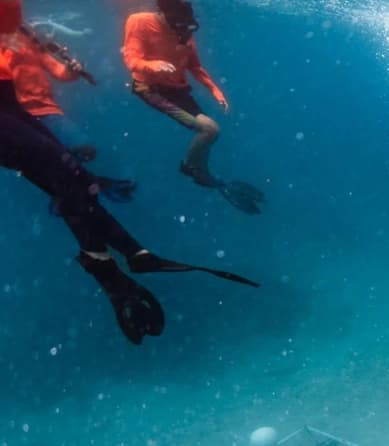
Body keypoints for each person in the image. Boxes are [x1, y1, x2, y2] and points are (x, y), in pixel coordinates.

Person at [1, 0, 258, 345]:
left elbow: (11, 21)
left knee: (77, 180)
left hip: (9, 104)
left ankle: (133, 256)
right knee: (69, 176)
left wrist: (64, 64)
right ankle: (111, 267)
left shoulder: (20, 40)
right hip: (12, 108)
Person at [122, 0, 264, 214]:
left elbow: (194, 66)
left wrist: (215, 91)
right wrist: (152, 66)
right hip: (149, 87)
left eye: (185, 26)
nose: (182, 31)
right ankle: (191, 167)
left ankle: (201, 171)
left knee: (210, 132)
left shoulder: (184, 27)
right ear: (162, 13)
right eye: (177, 25)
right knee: (210, 129)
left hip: (177, 89)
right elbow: (131, 59)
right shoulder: (139, 22)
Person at [1, 22, 135, 202]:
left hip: (46, 108)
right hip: (17, 115)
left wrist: (72, 69)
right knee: (53, 156)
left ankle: (75, 190)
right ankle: (80, 191)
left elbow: (58, 71)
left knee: (84, 150)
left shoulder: (28, 36)